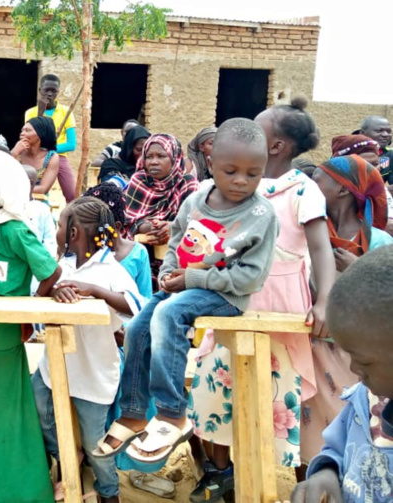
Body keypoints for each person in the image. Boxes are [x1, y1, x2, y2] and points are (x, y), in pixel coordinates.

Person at [95, 119, 278, 467]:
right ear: (211, 164)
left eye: (253, 174)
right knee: (137, 327)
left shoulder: (260, 214)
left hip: (225, 294)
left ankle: (171, 413)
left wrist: (192, 279)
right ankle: (134, 413)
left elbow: (250, 278)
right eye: (231, 171)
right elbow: (177, 242)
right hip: (182, 284)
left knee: (168, 315)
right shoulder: (195, 201)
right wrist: (167, 274)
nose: (241, 180)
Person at [190, 99, 337, 501]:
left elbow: (320, 249)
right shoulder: (230, 186)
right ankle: (222, 472)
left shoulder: (301, 189)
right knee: (218, 382)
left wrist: (323, 299)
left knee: (281, 393)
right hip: (232, 293)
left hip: (279, 303)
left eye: (256, 126)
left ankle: (294, 478)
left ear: (275, 146)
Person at [0, 150, 61, 503]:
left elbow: (50, 271)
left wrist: (28, 309)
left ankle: (12, 489)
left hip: (2, 336)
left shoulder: (16, 229)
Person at [33, 196, 142, 503]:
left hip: (94, 372)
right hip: (55, 365)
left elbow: (135, 306)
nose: (57, 231)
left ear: (75, 233)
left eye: (59, 225)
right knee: (39, 408)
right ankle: (67, 454)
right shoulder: (62, 266)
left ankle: (109, 492)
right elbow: (37, 298)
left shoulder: (110, 269)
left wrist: (95, 292)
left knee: (97, 441)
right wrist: (55, 289)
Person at [300, 155, 392, 463]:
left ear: (342, 189)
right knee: (311, 422)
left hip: (359, 354)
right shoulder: (309, 232)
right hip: (313, 342)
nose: (312, 183)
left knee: (356, 415)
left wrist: (357, 267)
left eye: (320, 178)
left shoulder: (377, 240)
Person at [291, 246, 393, 503]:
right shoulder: (363, 399)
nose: (352, 370)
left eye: (364, 362)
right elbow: (337, 447)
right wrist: (326, 473)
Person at [124, 133, 199, 289]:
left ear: (174, 158)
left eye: (161, 156)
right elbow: (128, 220)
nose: (154, 162)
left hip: (175, 255)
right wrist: (150, 227)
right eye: (149, 157)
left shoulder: (187, 184)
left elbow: (193, 223)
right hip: (142, 252)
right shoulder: (138, 180)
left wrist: (171, 228)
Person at [84, 183, 153, 299]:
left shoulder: (137, 253)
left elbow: (145, 299)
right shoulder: (82, 252)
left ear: (117, 226)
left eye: (94, 225)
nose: (87, 230)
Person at [25, 74, 76, 202]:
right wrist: (40, 113)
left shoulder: (66, 112)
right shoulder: (31, 112)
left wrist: (50, 150)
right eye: (46, 90)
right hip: (37, 157)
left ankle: (70, 220)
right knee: (37, 192)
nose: (49, 94)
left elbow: (71, 144)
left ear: (58, 92)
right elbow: (31, 138)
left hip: (59, 156)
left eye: (53, 91)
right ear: (40, 90)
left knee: (72, 194)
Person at [331, 134, 393, 227]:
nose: (372, 170)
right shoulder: (330, 194)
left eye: (375, 164)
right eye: (363, 165)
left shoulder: (381, 193)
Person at [11, 116, 59, 202]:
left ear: (40, 134)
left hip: (38, 202)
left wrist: (14, 190)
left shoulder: (52, 157)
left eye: (27, 130)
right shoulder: (17, 152)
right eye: (22, 130)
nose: (22, 133)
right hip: (13, 200)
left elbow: (43, 189)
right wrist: (14, 154)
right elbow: (3, 177)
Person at [358, 115, 392, 185]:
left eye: (388, 131)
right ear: (362, 133)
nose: (385, 135)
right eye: (379, 131)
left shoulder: (390, 154)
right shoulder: (345, 152)